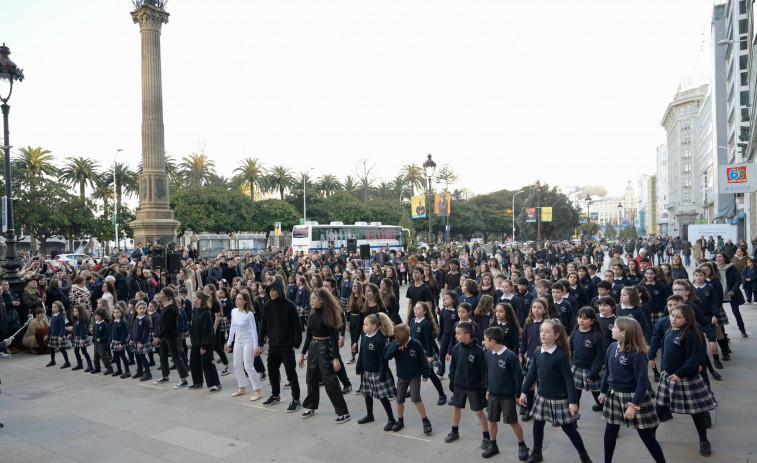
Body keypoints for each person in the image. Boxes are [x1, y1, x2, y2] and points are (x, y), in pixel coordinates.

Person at [518, 319, 592, 463]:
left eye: (547, 331)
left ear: (556, 335)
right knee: (537, 425)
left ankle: (584, 455)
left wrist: (572, 402)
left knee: (568, 428)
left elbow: (569, 381)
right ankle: (537, 452)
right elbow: (531, 374)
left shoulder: (561, 356)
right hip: (542, 396)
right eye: (542, 331)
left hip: (560, 398)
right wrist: (523, 392)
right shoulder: (538, 353)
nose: (543, 334)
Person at [652, 304, 717, 457]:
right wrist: (665, 369)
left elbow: (692, 360)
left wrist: (680, 374)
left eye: (678, 317)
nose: (673, 319)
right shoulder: (669, 330)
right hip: (668, 376)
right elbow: (667, 354)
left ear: (687, 320)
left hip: (685, 378)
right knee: (660, 407)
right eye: (672, 315)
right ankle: (651, 433)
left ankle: (704, 440)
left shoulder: (690, 335)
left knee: (697, 411)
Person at [599, 317, 665, 463]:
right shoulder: (611, 347)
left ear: (624, 333)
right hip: (614, 395)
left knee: (646, 435)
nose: (611, 329)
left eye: (615, 327)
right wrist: (603, 391)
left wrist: (634, 406)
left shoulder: (637, 354)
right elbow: (607, 372)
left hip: (633, 397)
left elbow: (643, 383)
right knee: (610, 431)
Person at [298, 288, 350, 423]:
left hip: (325, 348)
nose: (312, 301)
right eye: (311, 299)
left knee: (330, 381)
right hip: (313, 348)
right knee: (311, 378)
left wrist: (336, 358)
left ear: (322, 300)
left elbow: (333, 339)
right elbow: (308, 336)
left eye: (314, 298)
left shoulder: (328, 315)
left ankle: (343, 412)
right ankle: (311, 406)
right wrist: (302, 353)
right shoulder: (312, 314)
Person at [481, 326, 528, 460]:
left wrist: (517, 395)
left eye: (485, 340)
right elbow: (487, 373)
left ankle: (522, 445)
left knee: (513, 422)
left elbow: (518, 377)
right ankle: (493, 445)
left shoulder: (510, 356)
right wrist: (488, 388)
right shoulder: (488, 354)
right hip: (493, 394)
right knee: (491, 420)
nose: (483, 342)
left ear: (493, 341)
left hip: (507, 396)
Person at [445, 322, 490, 451]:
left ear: (468, 335)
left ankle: (486, 436)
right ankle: (454, 431)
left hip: (474, 387)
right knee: (456, 408)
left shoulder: (479, 351)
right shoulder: (456, 348)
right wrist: (452, 380)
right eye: (456, 333)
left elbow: (483, 371)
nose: (456, 336)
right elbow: (453, 366)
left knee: (478, 411)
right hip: (459, 385)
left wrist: (483, 388)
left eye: (458, 334)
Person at [258, 279, 303, 411]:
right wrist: (260, 341)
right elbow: (263, 325)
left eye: (274, 290)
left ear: (279, 291)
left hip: (287, 346)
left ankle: (296, 399)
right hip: (273, 346)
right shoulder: (267, 306)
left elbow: (297, 326)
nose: (271, 293)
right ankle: (275, 395)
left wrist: (296, 343)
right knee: (272, 371)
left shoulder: (289, 305)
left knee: (291, 374)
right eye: (270, 290)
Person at [384, 323, 433, 434]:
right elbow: (386, 355)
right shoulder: (395, 344)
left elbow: (423, 360)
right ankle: (400, 420)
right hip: (402, 376)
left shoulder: (416, 344)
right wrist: (396, 346)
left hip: (415, 376)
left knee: (416, 398)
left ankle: (425, 421)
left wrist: (426, 374)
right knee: (399, 400)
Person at [355, 313, 397, 430]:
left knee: (383, 397)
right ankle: (369, 415)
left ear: (374, 326)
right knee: (367, 395)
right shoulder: (364, 338)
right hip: (366, 372)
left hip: (377, 373)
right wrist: (359, 367)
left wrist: (383, 374)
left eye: (366, 325)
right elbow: (361, 354)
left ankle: (391, 419)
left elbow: (383, 360)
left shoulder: (379, 340)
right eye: (363, 324)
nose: (363, 327)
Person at [226, 290, 262, 400]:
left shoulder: (249, 314)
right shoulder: (233, 311)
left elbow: (254, 331)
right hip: (238, 340)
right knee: (237, 365)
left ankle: (258, 391)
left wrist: (256, 346)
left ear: (245, 301)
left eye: (240, 299)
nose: (237, 300)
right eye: (236, 298)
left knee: (248, 366)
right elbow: (232, 327)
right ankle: (242, 388)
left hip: (248, 340)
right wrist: (229, 342)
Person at [409, 301, 448, 406]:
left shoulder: (425, 324)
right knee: (412, 372)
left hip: (425, 353)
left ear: (424, 311)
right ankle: (411, 390)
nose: (415, 310)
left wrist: (430, 356)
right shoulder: (413, 321)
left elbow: (429, 341)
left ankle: (442, 395)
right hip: (414, 352)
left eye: (418, 309)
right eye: (415, 308)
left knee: (430, 374)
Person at [152, 288, 190, 389]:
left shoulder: (171, 308)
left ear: (167, 296)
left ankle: (184, 379)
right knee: (162, 356)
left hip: (171, 336)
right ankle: (165, 376)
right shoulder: (164, 306)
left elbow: (168, 326)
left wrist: (158, 337)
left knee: (176, 357)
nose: (160, 295)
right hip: (164, 336)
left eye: (161, 294)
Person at [570, 307, 604, 413]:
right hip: (576, 369)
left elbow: (600, 357)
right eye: (580, 317)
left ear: (592, 321)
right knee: (575, 396)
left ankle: (603, 407)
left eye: (585, 318)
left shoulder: (597, 336)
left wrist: (593, 373)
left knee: (597, 393)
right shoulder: (575, 333)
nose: (581, 320)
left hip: (591, 370)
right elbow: (570, 350)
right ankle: (573, 418)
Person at [518, 297, 548, 419]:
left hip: (544, 358)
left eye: (540, 307)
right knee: (530, 384)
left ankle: (544, 409)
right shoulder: (528, 322)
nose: (536, 310)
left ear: (545, 310)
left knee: (543, 385)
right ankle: (529, 409)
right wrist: (521, 354)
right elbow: (524, 340)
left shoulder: (547, 323)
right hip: (530, 357)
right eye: (534, 307)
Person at [188, 291, 221, 391]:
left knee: (207, 364)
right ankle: (197, 382)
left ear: (200, 300)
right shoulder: (195, 310)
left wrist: (204, 346)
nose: (193, 299)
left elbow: (207, 330)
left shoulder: (206, 312)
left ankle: (215, 384)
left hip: (205, 343)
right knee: (194, 362)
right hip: (196, 342)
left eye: (194, 298)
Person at [129, 301, 154, 381]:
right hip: (135, 341)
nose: (142, 310)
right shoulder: (136, 318)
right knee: (137, 357)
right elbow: (133, 329)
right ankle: (140, 371)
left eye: (143, 308)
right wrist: (131, 339)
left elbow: (145, 332)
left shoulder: (145, 319)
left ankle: (148, 373)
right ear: (136, 309)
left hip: (141, 341)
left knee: (142, 357)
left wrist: (142, 342)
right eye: (140, 308)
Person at [436, 291, 459, 377]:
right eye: (444, 299)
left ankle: (454, 372)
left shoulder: (456, 311)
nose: (445, 301)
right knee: (441, 353)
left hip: (455, 336)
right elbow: (441, 325)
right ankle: (441, 371)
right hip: (445, 335)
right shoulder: (442, 311)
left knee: (455, 353)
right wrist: (439, 337)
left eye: (447, 299)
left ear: (453, 300)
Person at [44, 301, 71, 368]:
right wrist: (47, 335)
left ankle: (67, 362)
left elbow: (62, 327)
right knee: (51, 348)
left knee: (62, 349)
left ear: (59, 308)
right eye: (52, 307)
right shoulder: (53, 316)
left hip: (59, 336)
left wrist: (61, 336)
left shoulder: (61, 317)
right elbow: (51, 327)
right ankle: (53, 361)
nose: (53, 308)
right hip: (53, 335)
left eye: (55, 307)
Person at [68, 305, 93, 372]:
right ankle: (79, 364)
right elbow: (75, 329)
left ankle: (90, 365)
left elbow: (83, 330)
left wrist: (83, 338)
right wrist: (72, 334)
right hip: (77, 337)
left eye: (76, 311)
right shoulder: (76, 319)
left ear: (80, 312)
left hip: (81, 337)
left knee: (84, 351)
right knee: (76, 351)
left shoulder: (82, 320)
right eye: (74, 311)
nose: (74, 312)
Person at [110, 305, 132, 378]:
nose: (116, 314)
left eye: (118, 312)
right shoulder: (113, 322)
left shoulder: (123, 322)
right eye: (114, 313)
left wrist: (122, 343)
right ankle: (119, 370)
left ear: (121, 313)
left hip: (120, 342)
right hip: (114, 341)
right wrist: (111, 342)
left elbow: (124, 334)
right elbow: (112, 332)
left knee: (122, 356)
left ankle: (127, 371)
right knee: (116, 356)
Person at [91, 308, 114, 375]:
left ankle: (109, 368)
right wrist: (93, 340)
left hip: (102, 343)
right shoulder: (95, 324)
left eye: (98, 315)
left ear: (102, 316)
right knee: (96, 356)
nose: (96, 317)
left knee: (103, 356)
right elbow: (94, 333)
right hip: (96, 343)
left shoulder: (104, 325)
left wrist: (101, 339)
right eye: (96, 315)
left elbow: (107, 335)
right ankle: (97, 368)